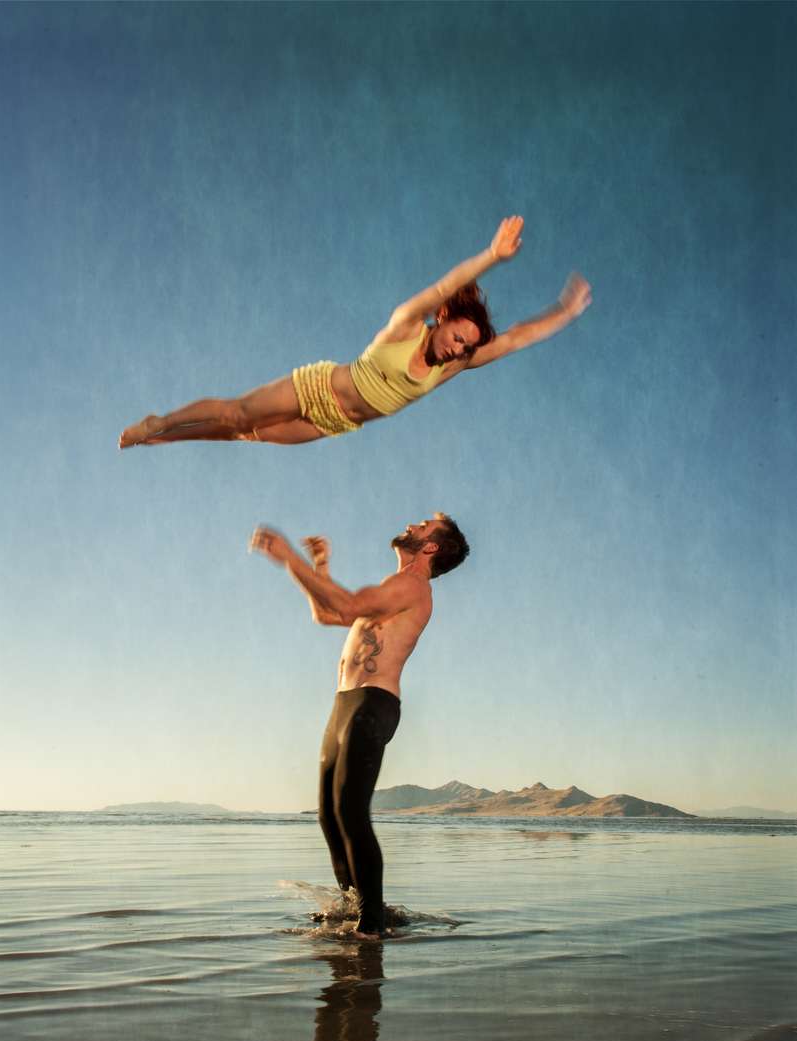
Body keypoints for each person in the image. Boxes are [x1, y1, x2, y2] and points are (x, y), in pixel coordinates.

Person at [119, 216, 591, 448]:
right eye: (458, 337)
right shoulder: (408, 321)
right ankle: (160, 421)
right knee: (239, 411)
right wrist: (491, 256)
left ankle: (164, 439)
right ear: (443, 319)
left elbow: (513, 339)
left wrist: (564, 314)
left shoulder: (453, 367)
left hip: (334, 422)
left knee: (246, 436)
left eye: (467, 347)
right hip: (317, 386)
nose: (459, 348)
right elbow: (447, 284)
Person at [249, 513, 469, 935]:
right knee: (330, 816)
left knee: (351, 813)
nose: (413, 524)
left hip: (373, 702)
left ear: (431, 548)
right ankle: (355, 909)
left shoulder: (413, 586)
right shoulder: (394, 588)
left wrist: (290, 560)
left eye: (423, 526)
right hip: (346, 703)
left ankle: (370, 927)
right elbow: (329, 616)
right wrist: (319, 570)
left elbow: (347, 605)